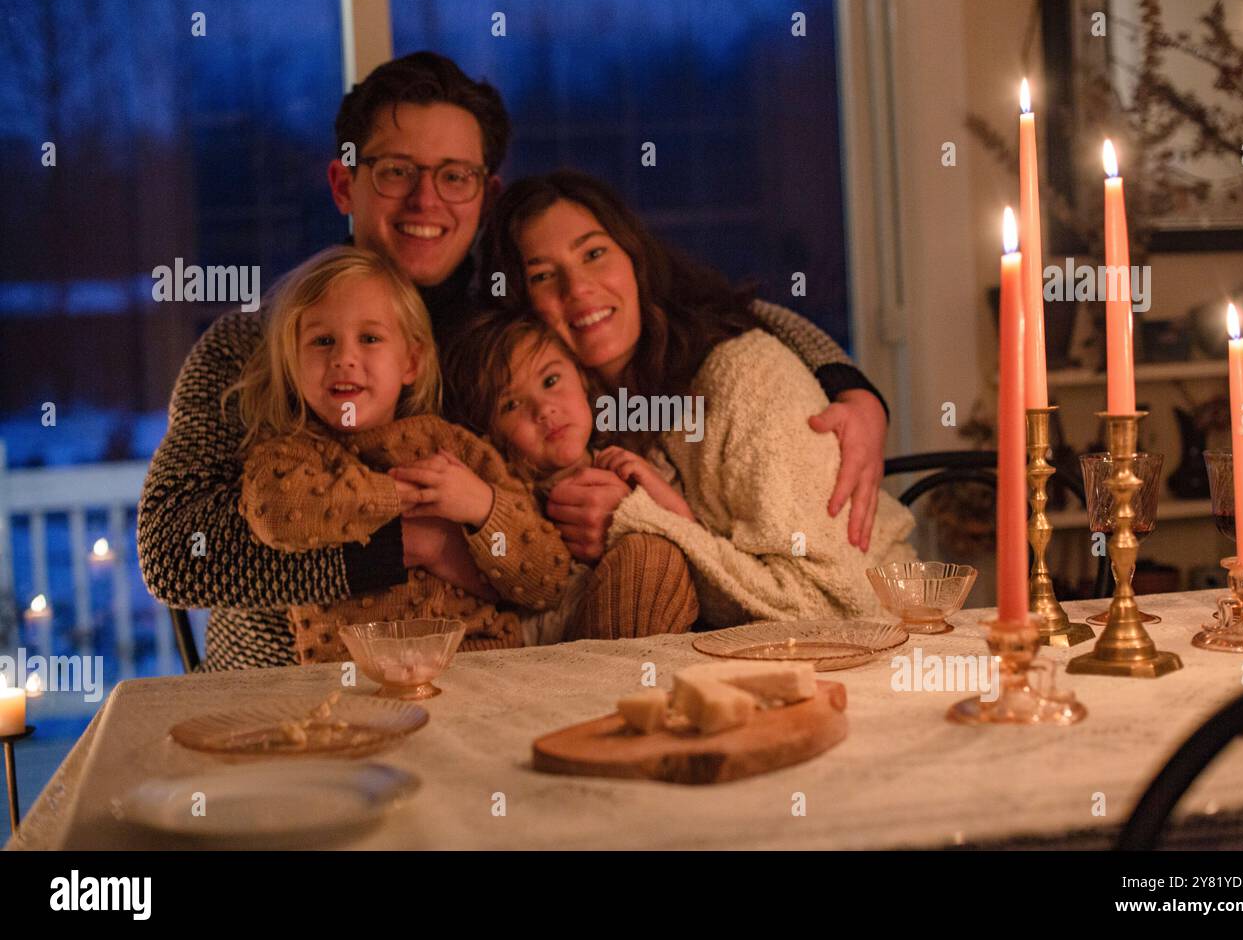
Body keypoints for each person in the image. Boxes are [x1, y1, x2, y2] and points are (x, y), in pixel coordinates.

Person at [138, 52, 895, 670]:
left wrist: (849, 383)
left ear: (485, 192)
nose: (425, 199)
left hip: (469, 680)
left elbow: (679, 305)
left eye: (454, 175)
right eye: (395, 170)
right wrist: (403, 548)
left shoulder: (495, 327)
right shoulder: (257, 344)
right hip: (280, 692)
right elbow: (173, 552)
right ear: (345, 181)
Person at [478, 170, 917, 626]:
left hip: (878, 643)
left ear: (635, 257)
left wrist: (638, 521)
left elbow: (832, 609)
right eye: (543, 276)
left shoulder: (746, 378)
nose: (578, 289)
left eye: (594, 253)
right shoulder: (566, 419)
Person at [225, 245, 579, 659]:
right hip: (352, 683)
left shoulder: (457, 451)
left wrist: (482, 506)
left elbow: (548, 578)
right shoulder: (290, 455)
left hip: (483, 663)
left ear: (411, 362)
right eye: (322, 341)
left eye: (370, 338)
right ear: (290, 366)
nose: (344, 358)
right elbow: (276, 513)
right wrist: (401, 495)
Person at [443, 310, 700, 642]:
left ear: (582, 379)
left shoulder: (632, 463)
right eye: (511, 405)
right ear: (490, 434)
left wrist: (654, 489)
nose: (544, 410)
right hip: (561, 646)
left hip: (656, 636)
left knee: (653, 555)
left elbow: (695, 552)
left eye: (551, 381)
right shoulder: (511, 501)